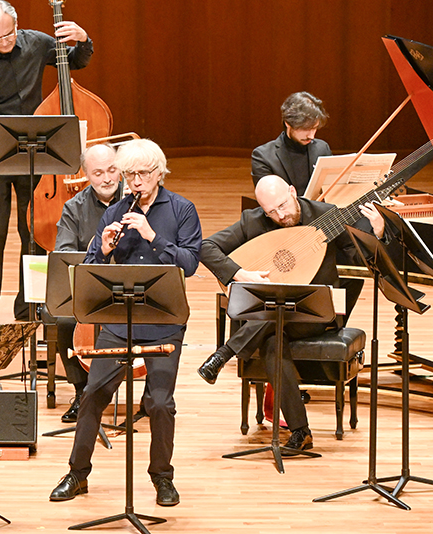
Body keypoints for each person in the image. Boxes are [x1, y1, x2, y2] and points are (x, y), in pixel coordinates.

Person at [49, 139, 202, 507]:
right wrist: (102, 248)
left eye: (142, 174)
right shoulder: (115, 212)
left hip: (165, 319)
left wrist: (152, 236)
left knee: (161, 403)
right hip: (119, 319)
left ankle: (162, 478)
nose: (135, 181)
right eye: (129, 174)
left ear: (158, 172)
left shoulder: (182, 209)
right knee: (92, 395)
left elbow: (191, 264)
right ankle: (77, 473)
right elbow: (89, 269)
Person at [197, 175, 385, 454]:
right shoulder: (255, 221)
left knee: (274, 316)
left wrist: (378, 234)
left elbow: (360, 261)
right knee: (274, 339)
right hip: (278, 319)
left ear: (293, 192)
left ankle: (225, 353)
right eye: (271, 211)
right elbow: (205, 247)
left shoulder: (327, 217)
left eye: (283, 206)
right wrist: (240, 272)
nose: (280, 215)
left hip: (320, 314)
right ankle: (301, 432)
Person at [0, 0, 94, 327]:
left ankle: (29, 304)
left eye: (8, 34)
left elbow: (73, 61)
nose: (4, 42)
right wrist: (8, 141)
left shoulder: (35, 43)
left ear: (16, 25)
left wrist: (83, 38)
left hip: (35, 155)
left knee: (33, 231)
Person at [52, 143, 121, 422]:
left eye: (112, 170)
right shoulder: (74, 207)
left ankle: (154, 392)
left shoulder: (138, 200)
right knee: (64, 321)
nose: (106, 179)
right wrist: (97, 248)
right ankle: (83, 391)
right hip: (91, 288)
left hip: (132, 287)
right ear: (86, 175)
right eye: (98, 173)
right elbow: (64, 252)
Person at [251, 91, 331, 196]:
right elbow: (269, 199)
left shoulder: (322, 148)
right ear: (288, 123)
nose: (311, 136)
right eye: (305, 129)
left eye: (314, 128)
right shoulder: (263, 156)